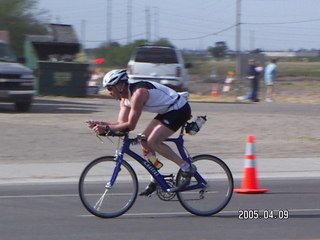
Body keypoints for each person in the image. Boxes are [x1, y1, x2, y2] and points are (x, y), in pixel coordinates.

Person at [86, 69, 196, 196]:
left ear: (120, 85)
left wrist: (106, 129)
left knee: (153, 142)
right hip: (167, 110)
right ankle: (155, 179)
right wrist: (100, 123)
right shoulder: (124, 100)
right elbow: (121, 123)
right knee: (144, 141)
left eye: (110, 88)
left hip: (179, 108)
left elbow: (130, 126)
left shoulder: (138, 94)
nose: (109, 92)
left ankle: (187, 168)